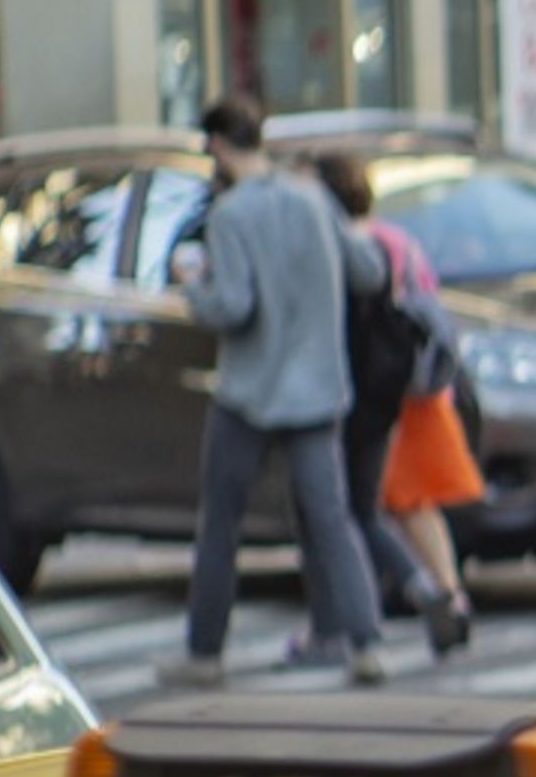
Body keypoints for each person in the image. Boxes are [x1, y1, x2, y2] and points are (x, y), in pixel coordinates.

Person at [166, 98, 392, 687]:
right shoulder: (313, 198)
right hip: (318, 389)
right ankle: (366, 643)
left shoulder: (230, 216)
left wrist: (193, 287)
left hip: (249, 392)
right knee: (331, 518)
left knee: (221, 522)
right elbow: (369, 270)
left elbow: (235, 306)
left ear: (217, 146)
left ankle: (205, 654)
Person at [318, 154, 479, 659]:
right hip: (420, 392)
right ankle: (450, 596)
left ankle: (428, 599)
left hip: (378, 394)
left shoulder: (351, 249)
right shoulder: (400, 241)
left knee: (370, 508)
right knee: (414, 507)